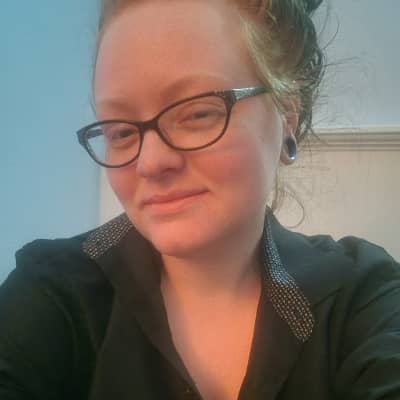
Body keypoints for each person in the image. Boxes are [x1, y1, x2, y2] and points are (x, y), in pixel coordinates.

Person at [1, 0, 399, 399]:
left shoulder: (362, 298)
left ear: (287, 119)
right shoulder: (52, 293)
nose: (150, 163)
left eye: (197, 114)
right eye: (120, 132)